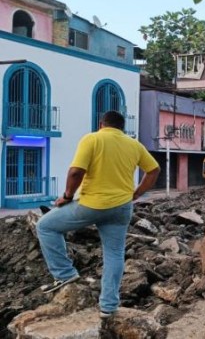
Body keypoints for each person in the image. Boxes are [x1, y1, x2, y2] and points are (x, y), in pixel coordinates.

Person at [36, 111, 160, 318]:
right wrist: (137, 192)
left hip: (92, 205)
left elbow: (76, 171)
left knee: (45, 226)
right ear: (122, 127)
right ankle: (108, 307)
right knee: (114, 253)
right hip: (121, 207)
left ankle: (65, 274)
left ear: (101, 124)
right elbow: (154, 169)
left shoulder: (92, 138)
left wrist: (67, 196)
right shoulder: (134, 145)